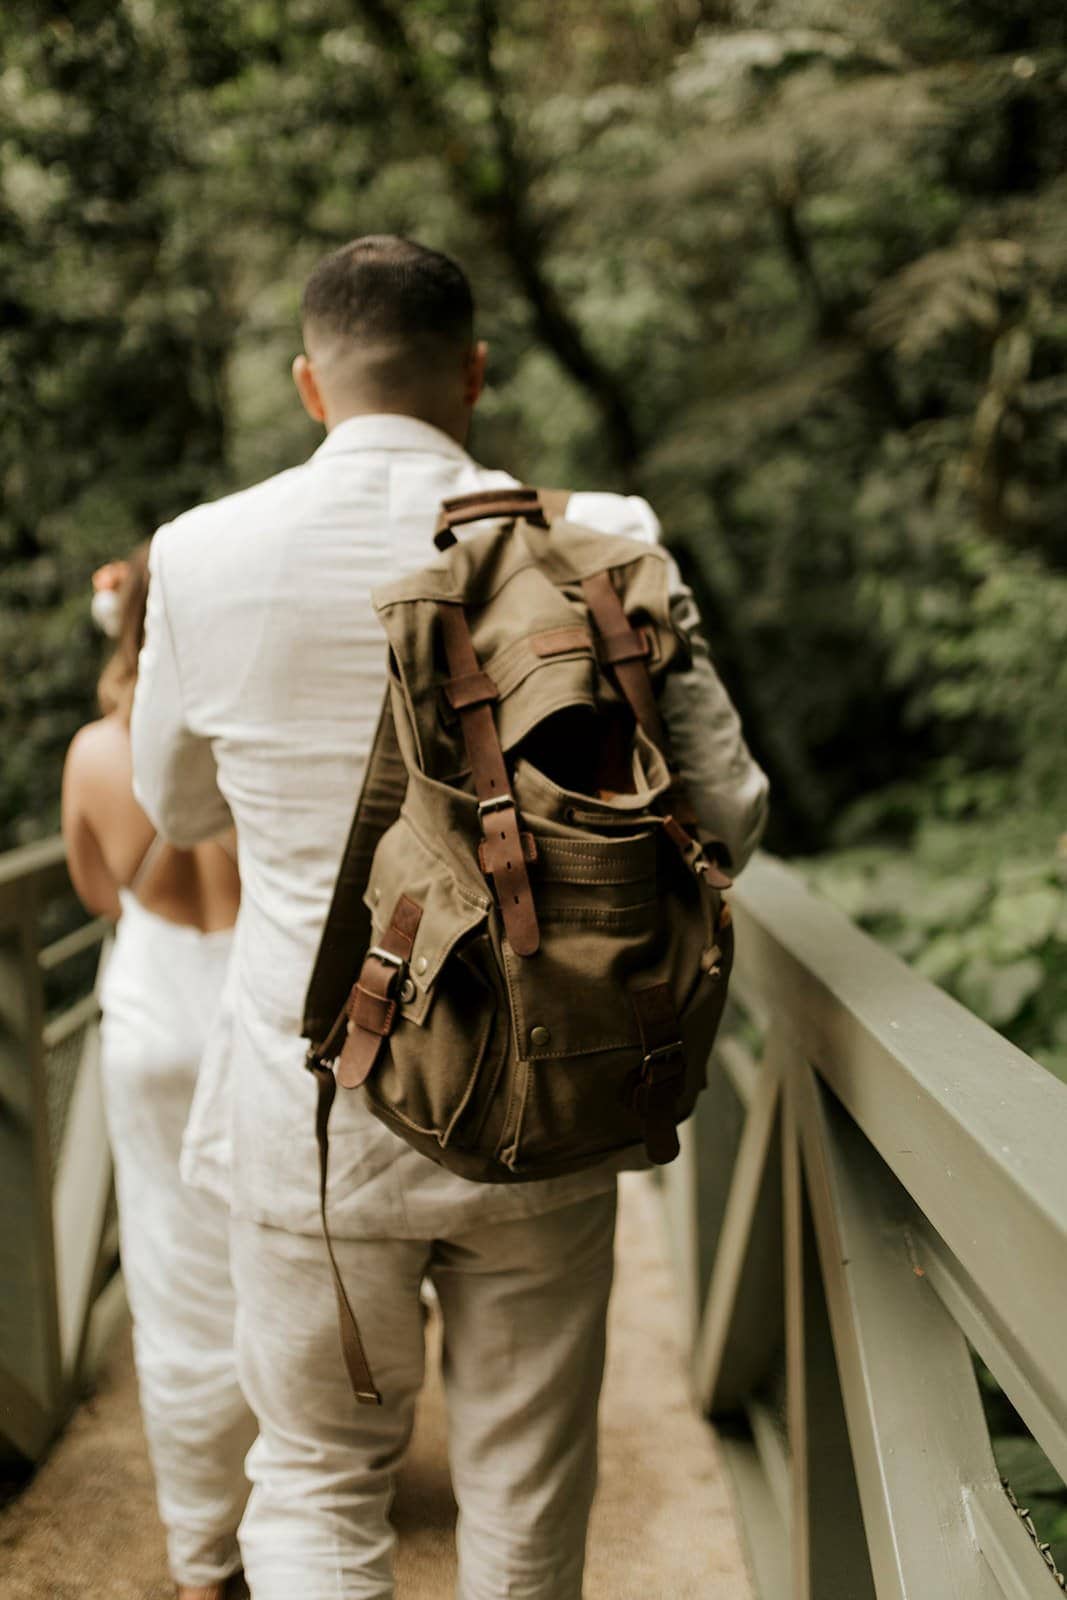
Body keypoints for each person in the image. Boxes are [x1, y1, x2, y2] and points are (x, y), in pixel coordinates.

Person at [130, 234, 769, 1600]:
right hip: (548, 1085)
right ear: (473, 373)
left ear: (310, 384)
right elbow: (729, 809)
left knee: (315, 1479)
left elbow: (175, 811)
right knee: (525, 1492)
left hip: (314, 1106)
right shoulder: (601, 538)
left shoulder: (198, 552)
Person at [62, 547, 256, 1600]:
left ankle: (201, 1558)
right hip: (250, 1013)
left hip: (152, 1016)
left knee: (175, 1289)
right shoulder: (245, 735)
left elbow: (100, 893)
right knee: (273, 1268)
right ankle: (292, 1506)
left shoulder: (97, 752)